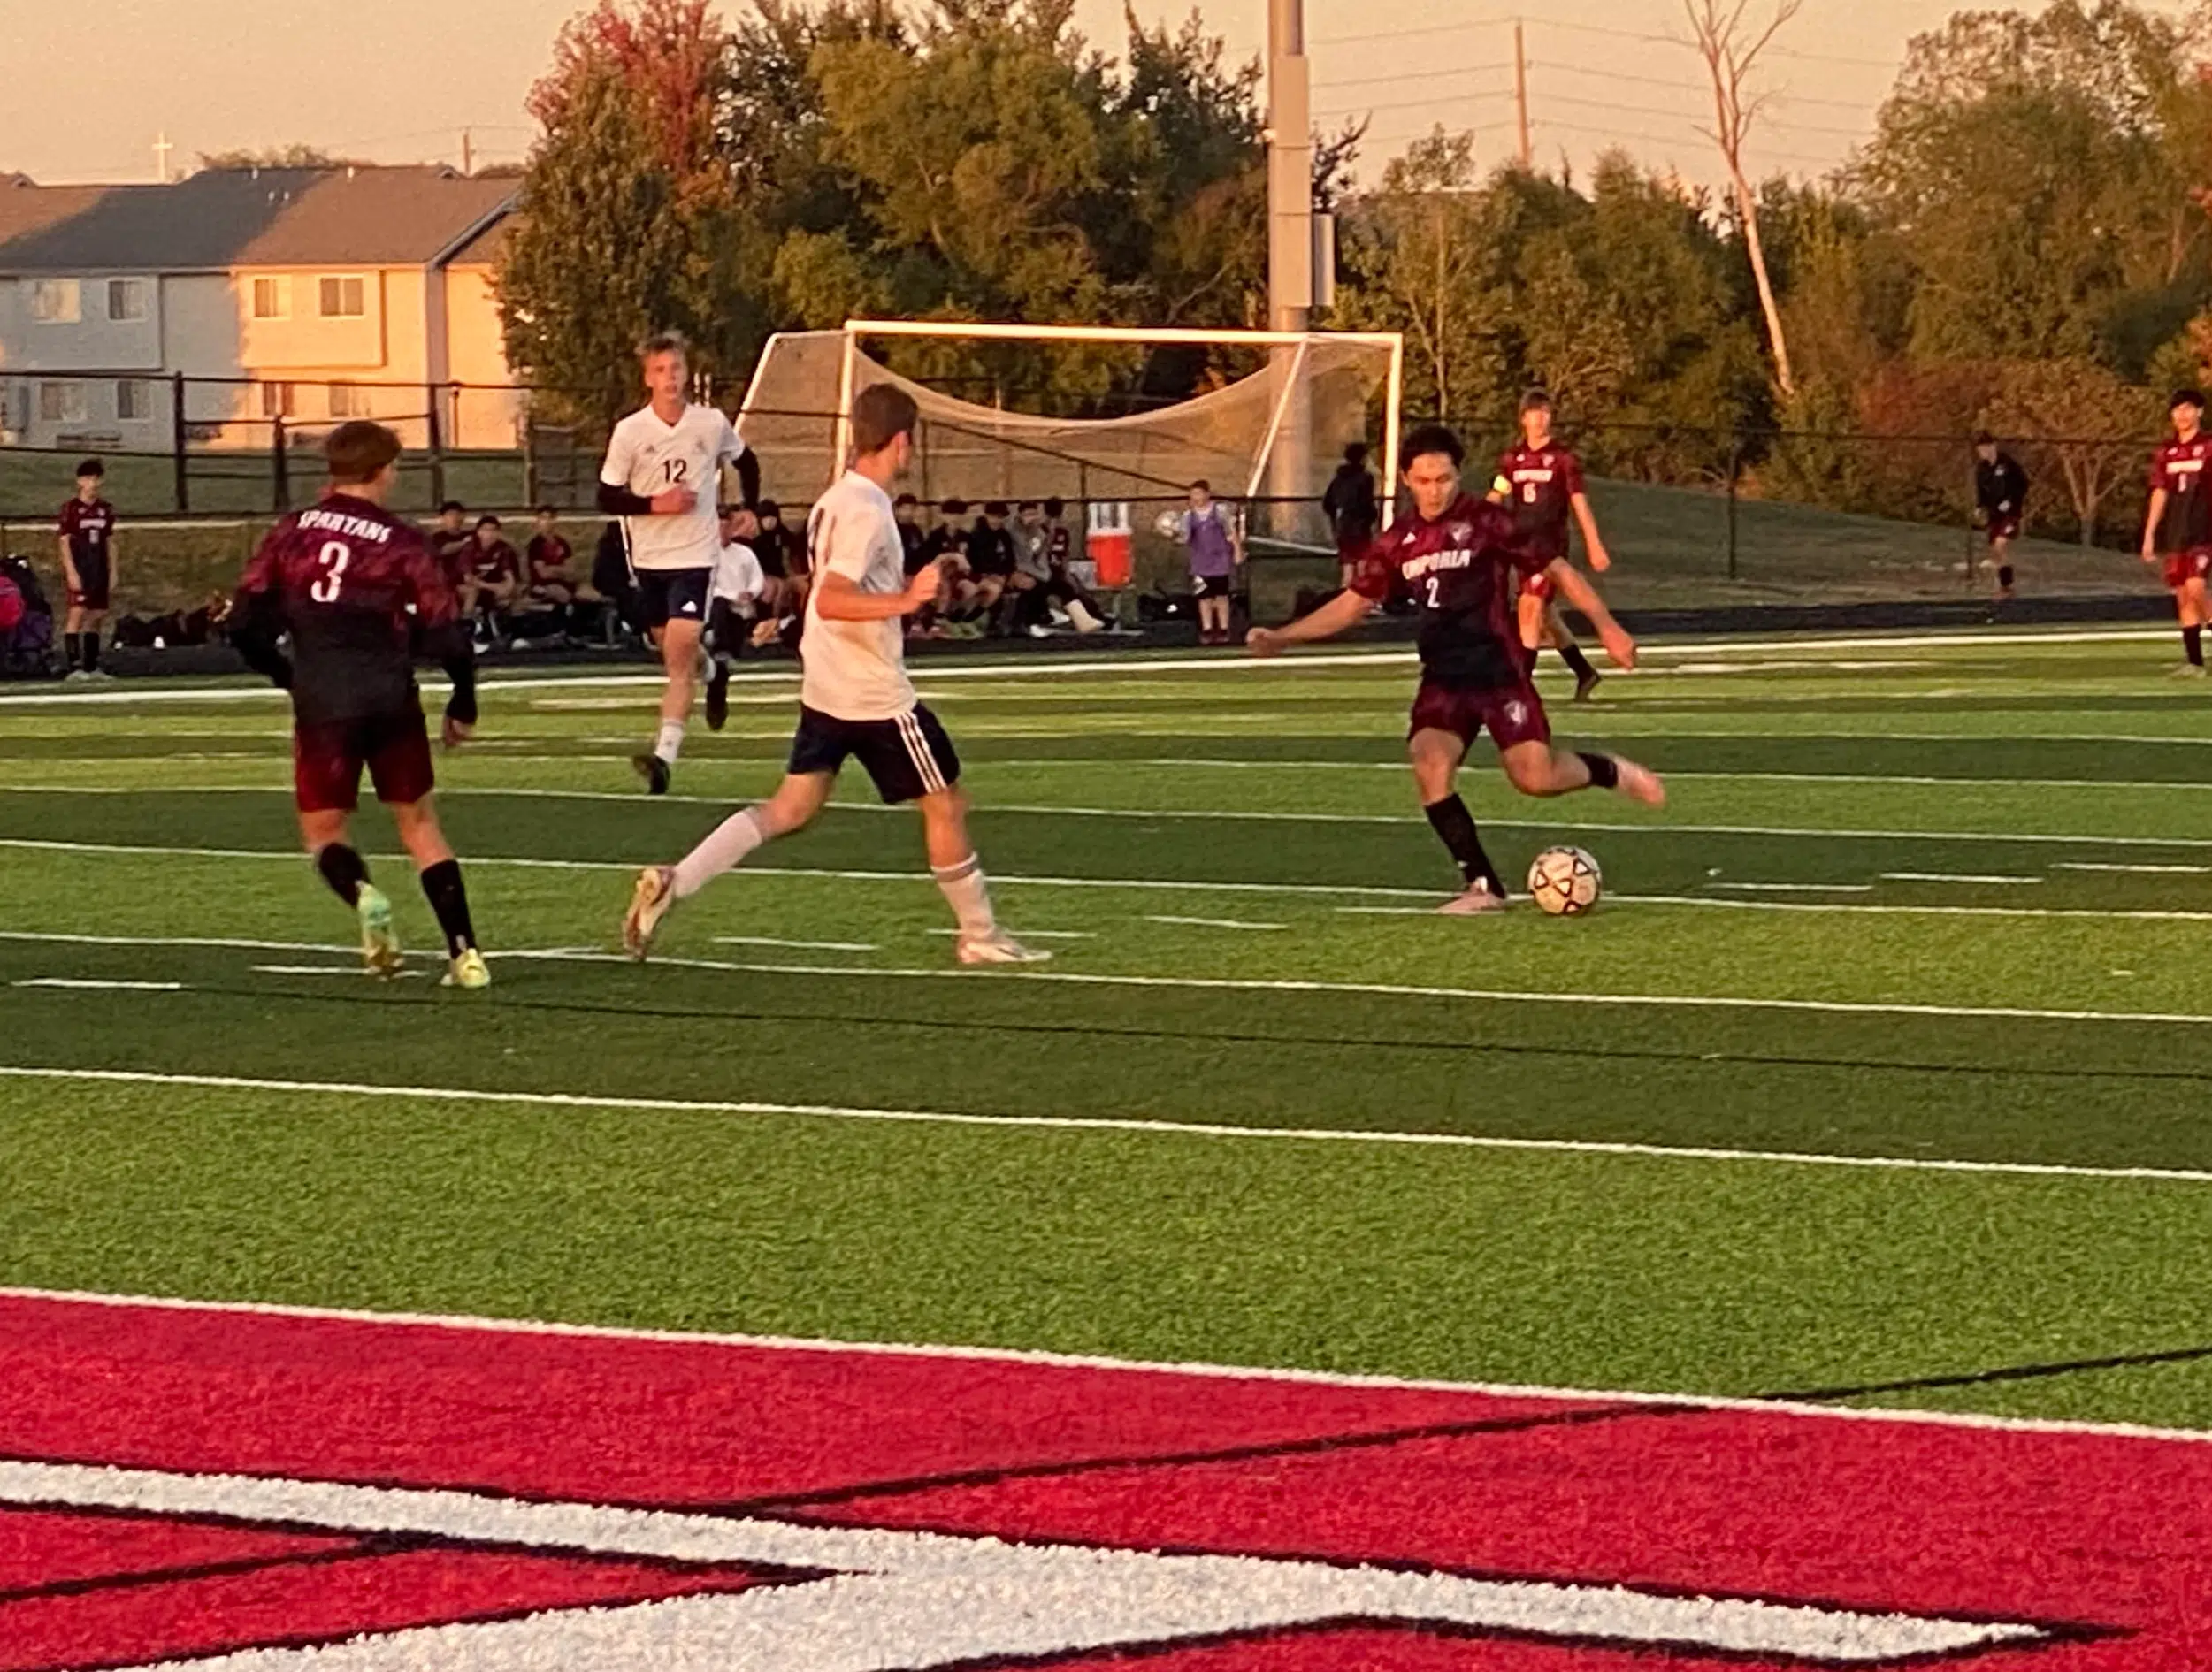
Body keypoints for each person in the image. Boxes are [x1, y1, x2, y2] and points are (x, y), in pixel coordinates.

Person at [623, 384, 1048, 966]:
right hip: (871, 692)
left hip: (826, 685)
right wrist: (905, 599)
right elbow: (834, 598)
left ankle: (677, 877)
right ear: (902, 442)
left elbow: (819, 589)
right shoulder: (869, 509)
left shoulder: (834, 499)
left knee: (790, 809)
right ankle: (977, 933)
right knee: (945, 803)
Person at [1248, 423, 1664, 913]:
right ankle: (1483, 887)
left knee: (1534, 778)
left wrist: (1607, 627)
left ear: (1457, 475)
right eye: (1424, 481)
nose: (1435, 490)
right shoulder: (1398, 541)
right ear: (1405, 479)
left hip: (1497, 670)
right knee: (1430, 766)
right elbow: (1353, 604)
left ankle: (1606, 770)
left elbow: (1558, 569)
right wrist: (1283, 636)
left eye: (1444, 479)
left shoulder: (1487, 521)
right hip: (1443, 677)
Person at [228, 421, 489, 988]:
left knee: (325, 833)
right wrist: (464, 700)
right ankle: (465, 953)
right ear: (382, 471)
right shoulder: (402, 540)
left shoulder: (291, 532)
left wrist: (288, 676)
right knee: (419, 825)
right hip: (391, 695)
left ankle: (365, 895)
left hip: (323, 699)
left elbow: (244, 623)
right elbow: (448, 634)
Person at [598, 330, 761, 794]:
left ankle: (664, 756)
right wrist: (656, 505)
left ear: (688, 373)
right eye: (660, 371)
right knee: (670, 649)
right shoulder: (630, 432)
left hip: (695, 555)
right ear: (647, 378)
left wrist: (752, 506)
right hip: (648, 558)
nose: (670, 378)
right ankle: (717, 671)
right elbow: (607, 496)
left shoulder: (709, 423)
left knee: (679, 655)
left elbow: (746, 462)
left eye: (676, 369)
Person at [1489, 389, 1608, 702]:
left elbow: (1579, 503)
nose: (1541, 418)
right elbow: (1497, 495)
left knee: (1529, 609)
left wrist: (1594, 544)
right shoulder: (1511, 459)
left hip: (1549, 547)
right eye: (1534, 412)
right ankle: (1584, 672)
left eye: (1546, 412)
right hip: (1521, 546)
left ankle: (1519, 689)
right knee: (1547, 617)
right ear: (1523, 418)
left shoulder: (1562, 459)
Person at [2143, 388, 2212, 677]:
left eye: (2188, 409)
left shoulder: (2208, 446)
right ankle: (2194, 662)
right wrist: (2149, 533)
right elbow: (2160, 492)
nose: (2181, 415)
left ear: (2199, 412)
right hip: (2176, 531)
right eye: (2177, 410)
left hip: (2204, 529)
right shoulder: (2166, 451)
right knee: (2183, 596)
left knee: (2197, 588)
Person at [705, 504, 765, 731]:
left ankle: (724, 656)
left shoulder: (744, 554)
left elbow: (757, 579)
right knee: (720, 607)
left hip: (739, 610)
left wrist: (750, 592)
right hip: (717, 608)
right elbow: (708, 587)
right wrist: (729, 596)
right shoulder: (705, 554)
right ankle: (717, 644)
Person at [57, 458, 118, 680]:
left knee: (98, 613)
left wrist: (113, 570)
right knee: (77, 612)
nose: (92, 483)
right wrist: (71, 571)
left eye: (96, 479)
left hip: (99, 565)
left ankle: (92, 666)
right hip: (81, 565)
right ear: (79, 482)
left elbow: (110, 541)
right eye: (88, 479)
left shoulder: (105, 509)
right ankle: (74, 667)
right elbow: (64, 542)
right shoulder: (70, 509)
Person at [1177, 480, 1242, 645]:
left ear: (1207, 494)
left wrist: (1237, 551)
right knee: (1203, 596)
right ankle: (1206, 629)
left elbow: (1231, 533)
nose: (1196, 498)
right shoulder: (1188, 516)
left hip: (1219, 560)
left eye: (1199, 494)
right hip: (1200, 562)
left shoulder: (1219, 512)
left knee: (1221, 596)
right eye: (1193, 495)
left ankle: (1224, 628)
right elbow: (1185, 537)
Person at [1971, 433, 2028, 602]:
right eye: (1980, 449)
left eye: (1986, 448)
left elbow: (2023, 484)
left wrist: (2010, 501)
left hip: (2010, 513)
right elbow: (1981, 491)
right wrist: (1980, 507)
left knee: (2000, 543)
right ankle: (2005, 585)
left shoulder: (2007, 464)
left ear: (1993, 446)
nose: (1983, 452)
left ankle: (2006, 585)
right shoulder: (1981, 469)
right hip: (1994, 514)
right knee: (1997, 552)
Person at [1322, 442, 1379, 592]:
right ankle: (1361, 597)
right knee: (1362, 565)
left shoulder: (1338, 479)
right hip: (1360, 527)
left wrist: (1336, 520)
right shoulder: (1365, 478)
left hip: (1343, 527)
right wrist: (1372, 517)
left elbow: (1328, 503)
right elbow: (1366, 503)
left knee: (1347, 566)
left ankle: (1344, 596)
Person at [467, 515, 522, 645]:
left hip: (493, 587)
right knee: (472, 592)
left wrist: (509, 588)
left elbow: (509, 575)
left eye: (493, 530)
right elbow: (468, 578)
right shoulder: (470, 548)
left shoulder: (503, 549)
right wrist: (495, 587)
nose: (489, 534)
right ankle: (468, 630)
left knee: (513, 596)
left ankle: (507, 635)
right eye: (486, 530)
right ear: (479, 532)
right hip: (474, 587)